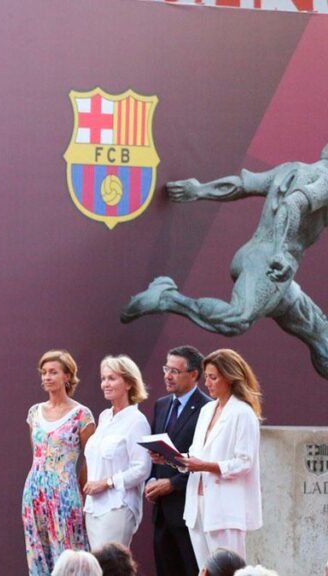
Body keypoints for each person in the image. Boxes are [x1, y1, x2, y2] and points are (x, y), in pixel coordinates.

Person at [122, 145, 328, 379]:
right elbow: (293, 205)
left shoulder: (293, 168)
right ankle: (167, 297)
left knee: (324, 342)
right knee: (237, 319)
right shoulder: (326, 182)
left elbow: (241, 185)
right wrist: (280, 252)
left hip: (256, 257)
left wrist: (199, 190)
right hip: (272, 266)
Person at [177, 349, 263, 565]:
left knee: (229, 570)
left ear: (230, 378)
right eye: (206, 377)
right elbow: (197, 453)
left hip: (225, 507)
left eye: (213, 377)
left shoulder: (243, 413)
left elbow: (245, 462)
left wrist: (205, 465)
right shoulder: (207, 410)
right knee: (204, 569)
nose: (207, 383)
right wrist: (174, 458)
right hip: (197, 506)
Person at [22, 350, 96, 576]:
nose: (46, 377)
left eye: (53, 372)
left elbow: (91, 458)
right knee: (37, 551)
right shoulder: (35, 412)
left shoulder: (81, 415)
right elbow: (37, 452)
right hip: (34, 490)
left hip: (65, 492)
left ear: (67, 376)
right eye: (43, 373)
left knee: (68, 552)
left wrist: (83, 491)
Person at [145, 345, 211, 576]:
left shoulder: (208, 408)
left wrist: (172, 484)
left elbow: (204, 460)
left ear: (194, 374)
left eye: (175, 371)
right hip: (162, 510)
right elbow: (160, 451)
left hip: (188, 508)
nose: (167, 376)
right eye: (166, 369)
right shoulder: (162, 404)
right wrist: (153, 477)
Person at [82, 355, 152, 549]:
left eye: (112, 378)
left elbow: (141, 468)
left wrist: (107, 483)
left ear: (129, 383)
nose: (105, 384)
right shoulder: (104, 417)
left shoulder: (137, 420)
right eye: (103, 379)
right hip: (93, 508)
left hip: (118, 506)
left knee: (112, 567)